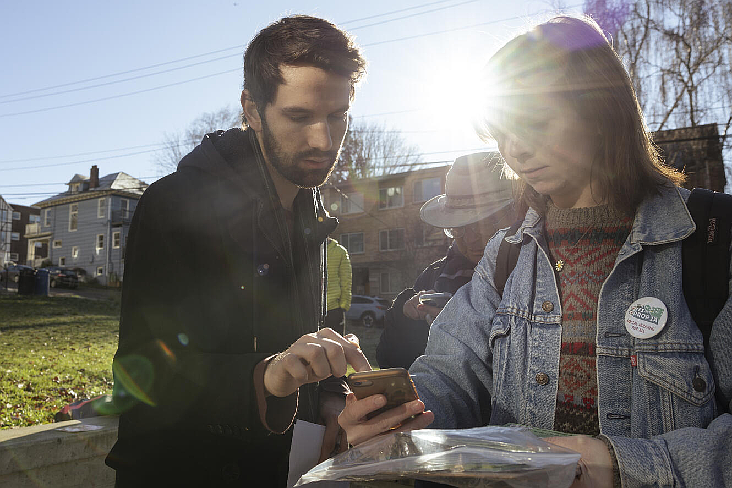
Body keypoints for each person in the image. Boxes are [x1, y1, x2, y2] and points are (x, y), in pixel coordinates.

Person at [339, 15, 731, 488]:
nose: (516, 149)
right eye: (501, 131)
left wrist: (624, 467)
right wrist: (397, 419)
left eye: (535, 121)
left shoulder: (713, 240)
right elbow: (448, 377)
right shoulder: (505, 258)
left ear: (602, 108)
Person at [105, 15, 371, 487]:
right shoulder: (176, 204)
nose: (323, 141)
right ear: (251, 109)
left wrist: (331, 397)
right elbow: (143, 377)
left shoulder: (318, 223)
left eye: (337, 117)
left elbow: (316, 346)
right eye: (298, 116)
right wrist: (266, 377)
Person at [376, 152, 515, 370]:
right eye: (458, 228)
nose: (469, 239)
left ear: (515, 213)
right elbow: (391, 361)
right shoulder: (434, 276)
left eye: (482, 224)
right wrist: (407, 318)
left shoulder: (539, 274)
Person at [325, 236, 352, 336]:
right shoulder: (309, 250)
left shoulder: (340, 251)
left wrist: (343, 305)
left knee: (336, 346)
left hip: (334, 309)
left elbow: (346, 279)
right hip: (312, 310)